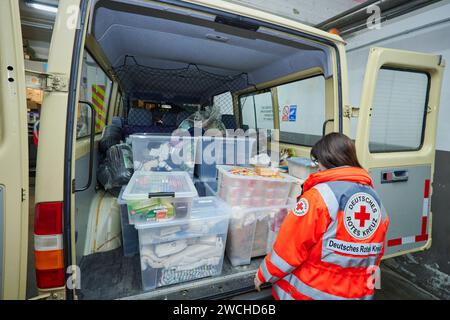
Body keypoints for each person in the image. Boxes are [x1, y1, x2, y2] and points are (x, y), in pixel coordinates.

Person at [254, 133, 389, 300]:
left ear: (328, 159)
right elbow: (374, 255)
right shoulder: (376, 200)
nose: (317, 167)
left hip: (314, 293)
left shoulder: (319, 197)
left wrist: (264, 274)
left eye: (318, 161)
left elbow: (290, 247)